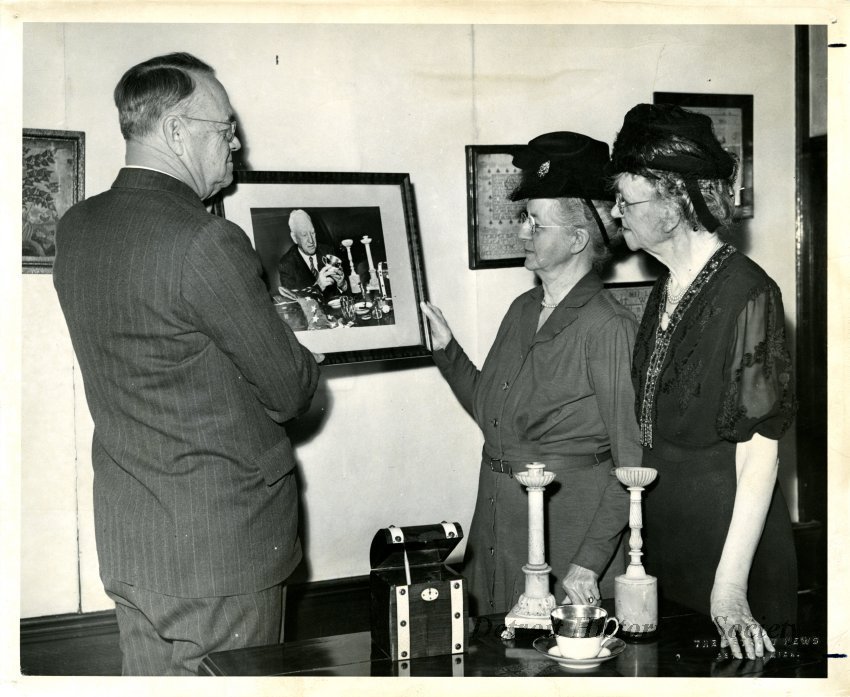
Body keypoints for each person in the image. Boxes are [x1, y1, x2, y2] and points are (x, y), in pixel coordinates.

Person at [52, 52, 321, 676]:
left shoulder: (78, 228)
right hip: (221, 552)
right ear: (177, 131)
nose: (236, 144)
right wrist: (294, 340)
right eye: (225, 129)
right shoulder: (206, 240)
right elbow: (289, 392)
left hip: (134, 542)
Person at [421, 132, 641, 617]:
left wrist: (589, 562)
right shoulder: (522, 308)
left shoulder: (608, 327)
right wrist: (447, 352)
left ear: (578, 238)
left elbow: (631, 464)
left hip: (566, 543)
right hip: (498, 525)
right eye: (524, 220)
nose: (522, 232)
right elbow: (493, 414)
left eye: (535, 224)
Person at [608, 103, 798, 660]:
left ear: (672, 206)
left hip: (730, 562)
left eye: (627, 199)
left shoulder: (748, 292)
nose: (616, 213)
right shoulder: (665, 289)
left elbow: (761, 452)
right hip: (667, 552)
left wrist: (731, 589)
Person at [277, 209, 347, 297]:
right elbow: (294, 302)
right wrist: (318, 287)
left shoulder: (327, 251)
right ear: (294, 237)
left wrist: (342, 284)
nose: (311, 240)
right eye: (304, 235)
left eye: (312, 233)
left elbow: (343, 292)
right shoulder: (286, 264)